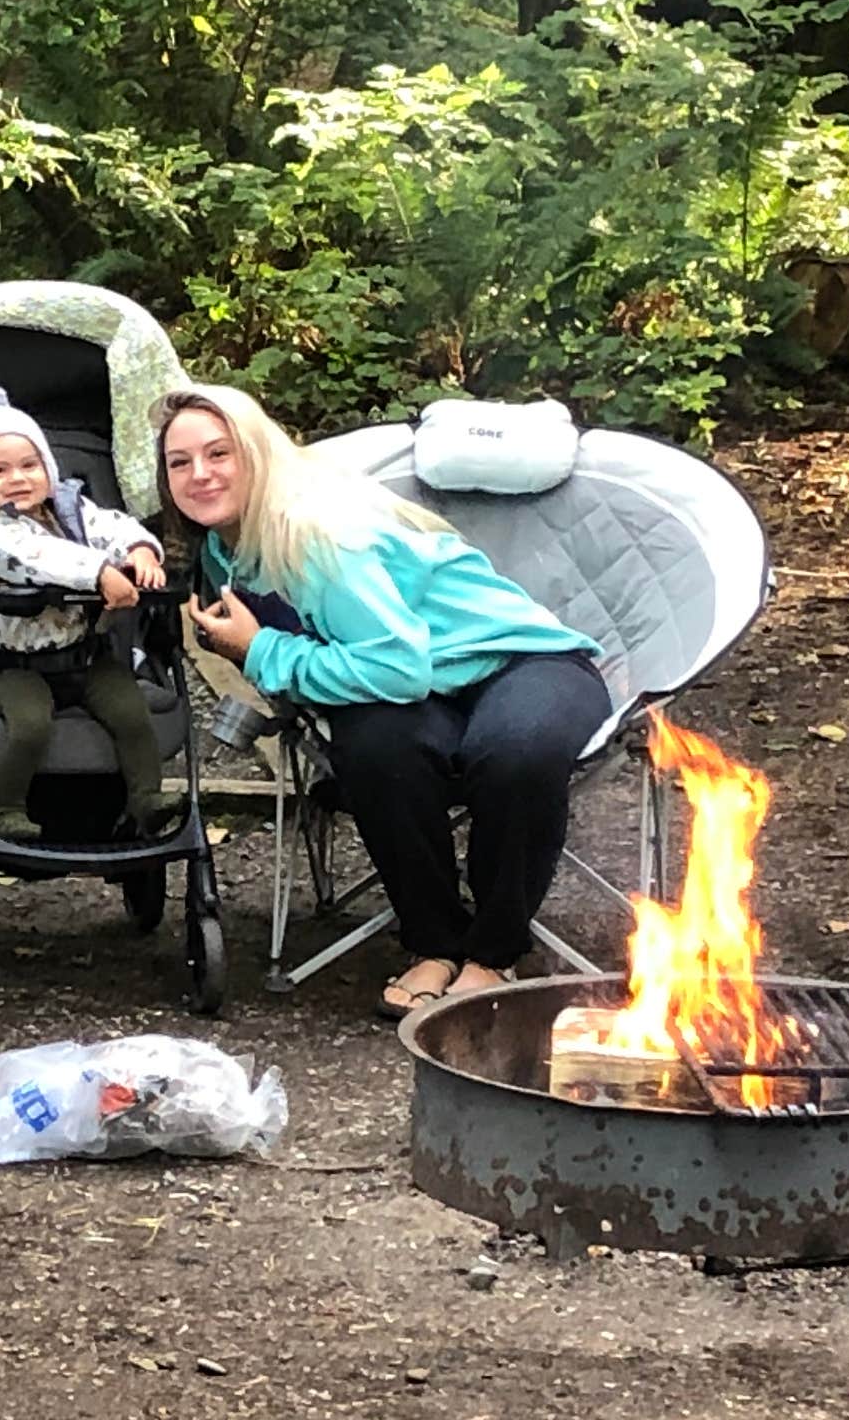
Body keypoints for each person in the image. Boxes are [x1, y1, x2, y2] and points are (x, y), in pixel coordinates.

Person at [159, 383, 605, 1013]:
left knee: (515, 751)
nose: (200, 474)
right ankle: (435, 944)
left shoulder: (316, 538)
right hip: (428, 686)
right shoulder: (220, 549)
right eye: (180, 462)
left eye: (218, 453)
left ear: (256, 452)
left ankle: (493, 953)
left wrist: (260, 651)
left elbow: (395, 667)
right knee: (375, 747)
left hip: (524, 661)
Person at [0, 391, 170, 841]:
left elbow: (110, 525)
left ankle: (146, 799)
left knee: (133, 714)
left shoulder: (67, 509)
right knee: (29, 727)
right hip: (18, 662)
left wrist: (139, 549)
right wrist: (98, 571)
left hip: (86, 654)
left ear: (48, 467)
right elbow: (28, 554)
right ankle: (7, 810)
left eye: (30, 465)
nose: (17, 478)